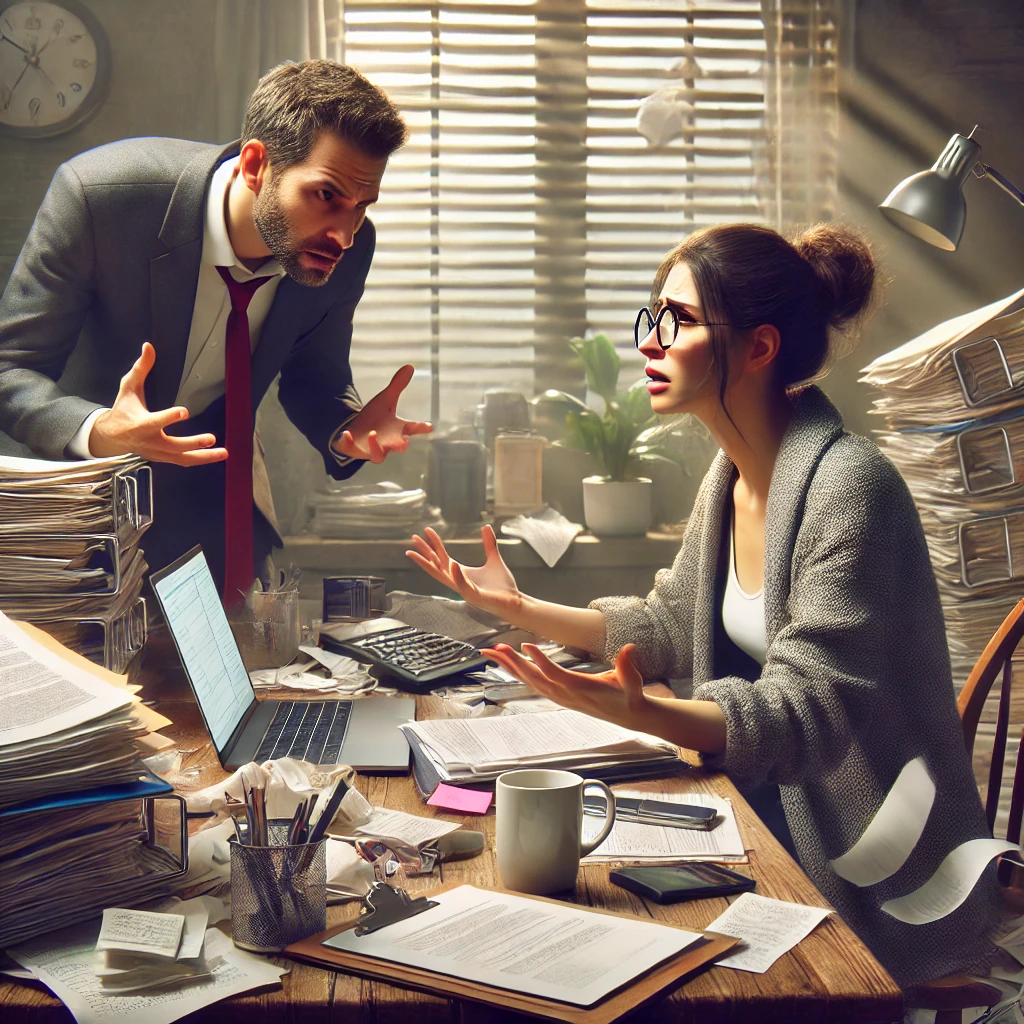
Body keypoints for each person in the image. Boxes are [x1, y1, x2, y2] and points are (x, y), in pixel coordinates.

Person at [406, 222, 1004, 990]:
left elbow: (804, 711)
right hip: (768, 800)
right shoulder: (730, 475)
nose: (650, 343)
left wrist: (644, 715)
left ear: (758, 348)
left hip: (864, 851)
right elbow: (665, 622)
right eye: (652, 316)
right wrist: (521, 606)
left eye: (678, 321)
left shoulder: (851, 488)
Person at [0, 60, 431, 602]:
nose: (344, 235)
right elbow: (10, 367)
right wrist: (96, 428)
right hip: (74, 517)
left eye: (362, 208)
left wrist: (347, 426)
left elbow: (314, 377)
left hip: (216, 515)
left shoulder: (345, 248)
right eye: (327, 196)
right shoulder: (101, 198)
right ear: (256, 164)